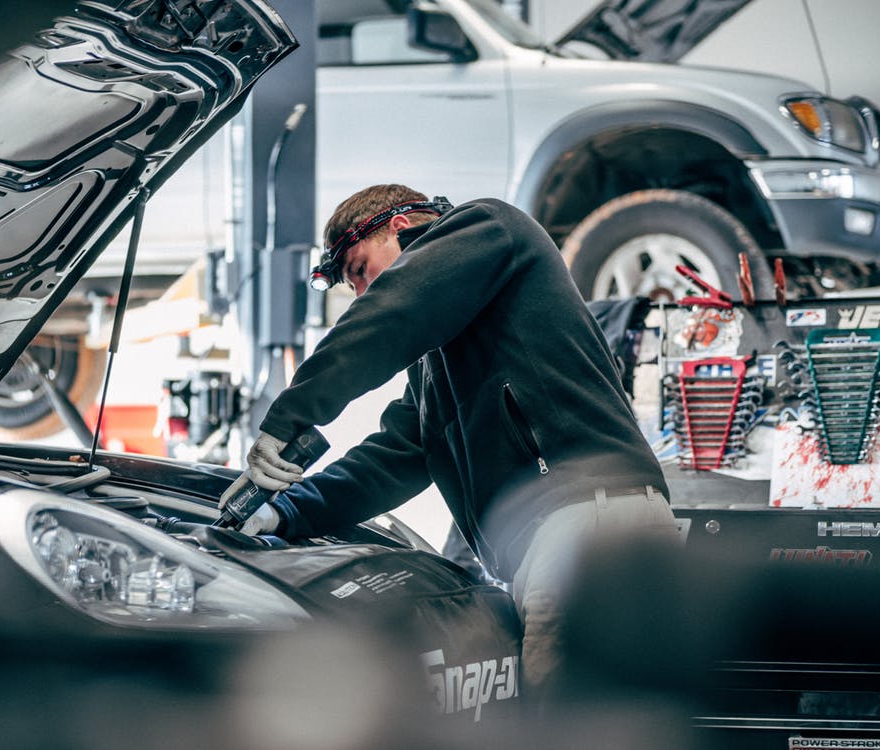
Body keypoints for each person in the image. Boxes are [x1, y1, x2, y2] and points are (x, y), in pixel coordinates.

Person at [218, 184, 677, 697]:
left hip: (590, 523)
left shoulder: (489, 227)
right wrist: (286, 512)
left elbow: (394, 312)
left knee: (578, 729)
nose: (365, 294)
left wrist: (288, 418)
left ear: (397, 225)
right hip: (563, 535)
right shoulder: (444, 363)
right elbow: (397, 454)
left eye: (360, 271)